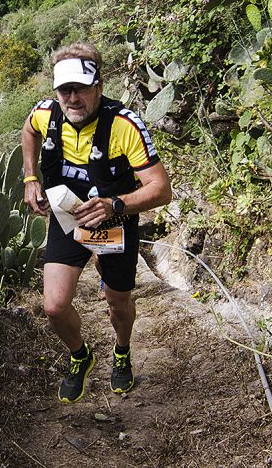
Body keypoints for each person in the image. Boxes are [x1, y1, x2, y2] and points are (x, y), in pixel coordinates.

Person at [21, 42, 172, 403]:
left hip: (115, 220)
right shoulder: (47, 114)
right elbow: (28, 129)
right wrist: (30, 178)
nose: (72, 98)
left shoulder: (123, 125)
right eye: (64, 90)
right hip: (67, 216)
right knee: (54, 307)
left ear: (98, 87)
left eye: (81, 89)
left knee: (117, 301)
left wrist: (115, 204)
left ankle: (122, 350)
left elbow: (162, 189)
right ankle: (80, 355)